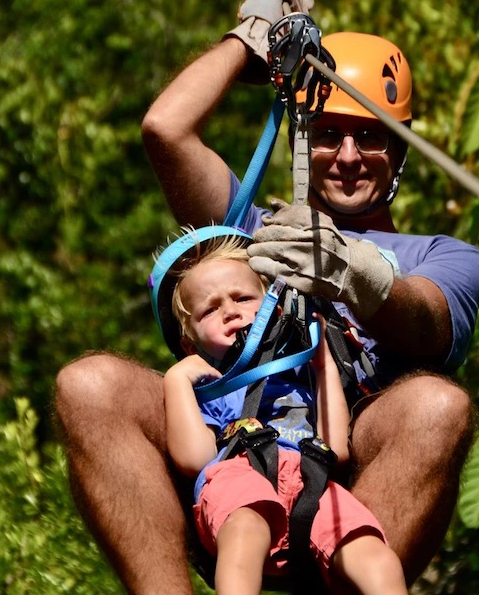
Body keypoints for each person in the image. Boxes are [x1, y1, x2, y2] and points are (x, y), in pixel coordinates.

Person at [56, 0, 479, 592]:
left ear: (400, 149)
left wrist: (355, 274)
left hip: (345, 467)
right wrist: (249, 41)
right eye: (329, 135)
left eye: (370, 138)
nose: (349, 157)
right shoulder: (249, 229)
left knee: (440, 405)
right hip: (227, 450)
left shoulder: (445, 257)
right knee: (87, 384)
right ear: (302, 142)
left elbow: (427, 324)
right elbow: (165, 130)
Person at [158, 229, 407, 594]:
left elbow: (335, 449)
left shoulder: (300, 374)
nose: (230, 312)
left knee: (376, 556)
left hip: (310, 482)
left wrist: (323, 367)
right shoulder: (210, 386)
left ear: (274, 307)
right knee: (246, 528)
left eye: (243, 298)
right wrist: (177, 380)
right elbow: (196, 459)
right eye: (210, 309)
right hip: (238, 479)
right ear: (189, 343)